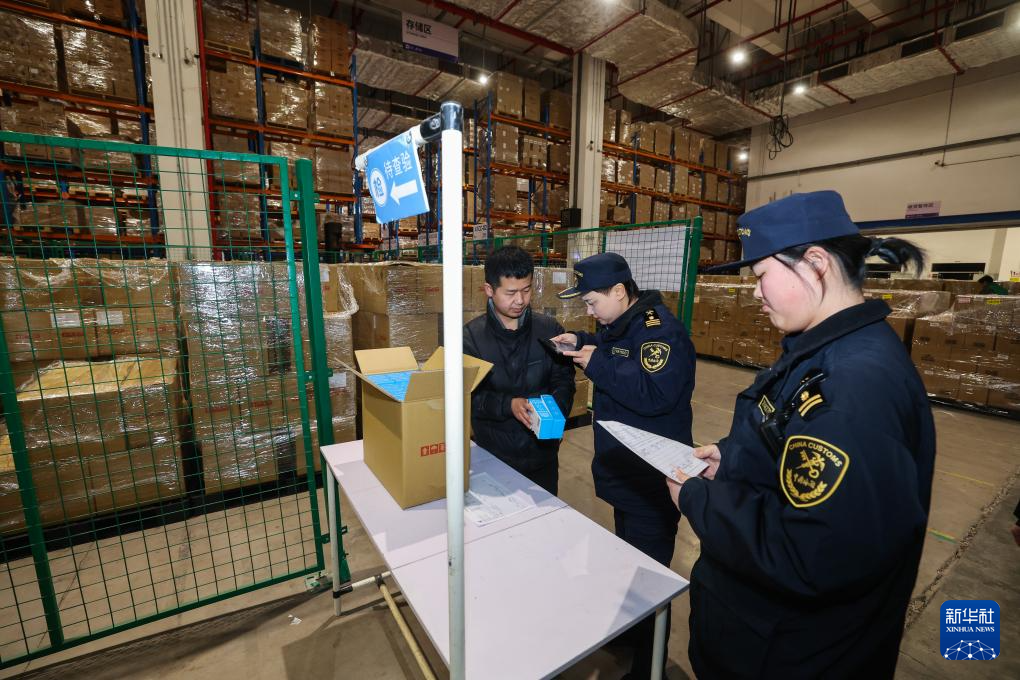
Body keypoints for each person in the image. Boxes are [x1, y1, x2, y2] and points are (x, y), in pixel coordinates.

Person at [667, 191, 936, 678]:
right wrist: (733, 458)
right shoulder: (824, 350)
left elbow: (809, 554)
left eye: (761, 276)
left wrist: (697, 499)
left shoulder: (855, 386)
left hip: (788, 655)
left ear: (815, 263)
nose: (755, 293)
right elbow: (790, 445)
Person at [551, 252, 695, 679]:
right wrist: (580, 340)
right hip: (626, 476)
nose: (589, 311)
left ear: (619, 291)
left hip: (653, 481)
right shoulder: (620, 323)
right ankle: (631, 635)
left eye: (592, 302)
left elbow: (656, 394)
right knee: (628, 563)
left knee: (650, 579)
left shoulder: (660, 332)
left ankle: (648, 668)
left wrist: (596, 363)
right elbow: (615, 348)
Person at [463, 246, 575, 495]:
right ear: (489, 289)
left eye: (526, 290)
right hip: (493, 457)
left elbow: (564, 379)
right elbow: (468, 397)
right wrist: (508, 405)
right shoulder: (470, 339)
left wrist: (555, 411)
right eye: (511, 292)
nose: (520, 300)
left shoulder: (549, 330)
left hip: (542, 456)